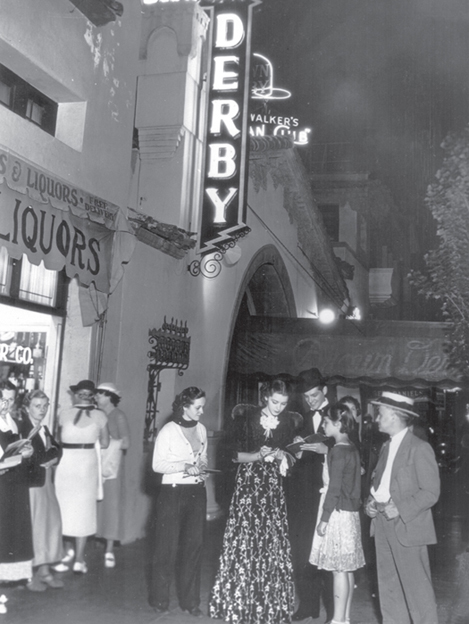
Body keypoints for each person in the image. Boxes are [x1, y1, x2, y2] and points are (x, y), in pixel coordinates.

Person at [209, 378, 299, 624]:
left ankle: (269, 605)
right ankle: (239, 603)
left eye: (283, 403)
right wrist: (257, 456)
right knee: (246, 539)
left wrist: (284, 456)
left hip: (273, 488)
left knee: (270, 541)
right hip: (249, 484)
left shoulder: (288, 423)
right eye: (274, 401)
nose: (279, 407)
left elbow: (293, 456)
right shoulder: (246, 419)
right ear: (265, 397)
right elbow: (229, 455)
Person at [364, 391, 440, 624]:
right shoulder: (386, 446)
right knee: (388, 590)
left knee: (418, 594)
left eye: (381, 414)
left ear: (395, 416)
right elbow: (381, 483)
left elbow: (431, 492)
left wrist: (400, 508)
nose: (377, 419)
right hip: (382, 523)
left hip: (406, 526)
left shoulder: (419, 448)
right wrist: (370, 501)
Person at [150, 387, 208, 617]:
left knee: (194, 548)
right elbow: (157, 465)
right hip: (172, 493)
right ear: (184, 407)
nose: (202, 411)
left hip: (196, 493)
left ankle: (191, 601)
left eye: (203, 406)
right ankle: (160, 599)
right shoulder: (168, 431)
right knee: (167, 548)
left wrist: (202, 470)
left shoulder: (201, 429)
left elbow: (203, 458)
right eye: (198, 407)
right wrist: (184, 467)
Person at [286, 368, 334, 622]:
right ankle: (307, 606)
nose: (311, 400)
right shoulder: (301, 418)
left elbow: (352, 450)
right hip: (304, 495)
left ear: (324, 391)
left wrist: (327, 449)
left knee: (328, 552)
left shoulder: (339, 415)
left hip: (329, 494)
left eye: (314, 394)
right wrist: (295, 448)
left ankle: (333, 611)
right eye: (307, 397)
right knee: (303, 550)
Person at [309, 405, 365, 624]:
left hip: (337, 514)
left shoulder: (338, 451)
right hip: (350, 514)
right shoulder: (350, 447)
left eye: (326, 422)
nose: (323, 425)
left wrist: (324, 519)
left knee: (338, 570)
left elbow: (334, 488)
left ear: (338, 424)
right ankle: (346, 617)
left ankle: (337, 620)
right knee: (347, 569)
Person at [55, 379, 110, 574]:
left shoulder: (100, 416)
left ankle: (79, 558)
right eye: (82, 393)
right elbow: (58, 440)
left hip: (86, 466)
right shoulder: (64, 414)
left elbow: (104, 443)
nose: (85, 396)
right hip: (66, 465)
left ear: (93, 395)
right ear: (75, 394)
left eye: (88, 393)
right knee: (63, 508)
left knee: (84, 512)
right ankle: (63, 554)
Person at [19, 390, 64, 591]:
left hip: (45, 482)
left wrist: (53, 455)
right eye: (38, 406)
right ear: (27, 407)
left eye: (45, 405)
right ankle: (28, 576)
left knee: (50, 524)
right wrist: (48, 457)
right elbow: (28, 457)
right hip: (31, 485)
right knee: (34, 528)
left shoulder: (42, 427)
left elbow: (57, 448)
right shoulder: (22, 428)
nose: (42, 410)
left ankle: (44, 571)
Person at [0, 381, 35, 585]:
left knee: (10, 532)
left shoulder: (11, 421)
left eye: (11, 399)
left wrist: (26, 453)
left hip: (12, 483)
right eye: (3, 399)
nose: (7, 404)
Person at [95, 382, 130, 569]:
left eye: (99, 395)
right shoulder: (98, 415)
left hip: (112, 468)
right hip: (97, 466)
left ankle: (109, 549)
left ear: (109, 396)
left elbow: (125, 443)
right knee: (97, 504)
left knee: (112, 507)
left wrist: (106, 443)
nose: (96, 399)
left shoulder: (118, 416)